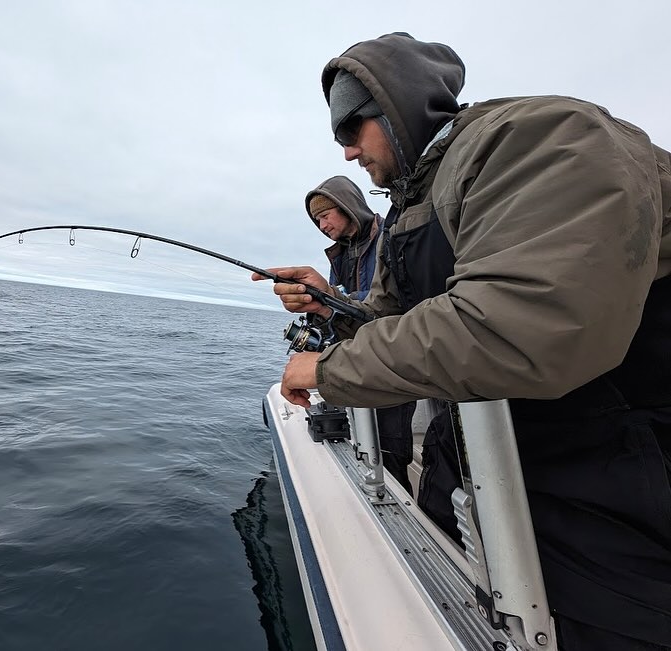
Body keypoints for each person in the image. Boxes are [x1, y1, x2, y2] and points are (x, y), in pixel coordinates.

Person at [254, 32, 671, 650]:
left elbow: (517, 325)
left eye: (352, 126)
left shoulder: (537, 137)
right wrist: (330, 303)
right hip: (488, 461)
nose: (346, 152)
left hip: (616, 475)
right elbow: (391, 322)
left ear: (401, 106)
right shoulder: (411, 211)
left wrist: (326, 372)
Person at [306, 175, 416, 493]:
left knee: (391, 450)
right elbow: (336, 307)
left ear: (346, 206)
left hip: (391, 361)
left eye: (325, 215)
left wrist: (334, 298)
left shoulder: (389, 238)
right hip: (356, 361)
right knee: (363, 442)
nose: (322, 225)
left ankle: (401, 512)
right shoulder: (339, 255)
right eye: (317, 220)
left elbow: (392, 301)